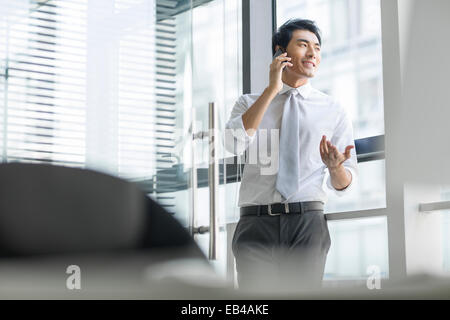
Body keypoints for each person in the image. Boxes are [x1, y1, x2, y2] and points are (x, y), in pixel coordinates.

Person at [224, 19, 358, 291]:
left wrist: (335, 168)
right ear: (280, 52)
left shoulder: (333, 109)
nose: (313, 54)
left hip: (307, 223)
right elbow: (233, 144)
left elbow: (345, 183)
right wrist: (272, 89)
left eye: (317, 48)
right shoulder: (249, 103)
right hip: (255, 224)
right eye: (303, 44)